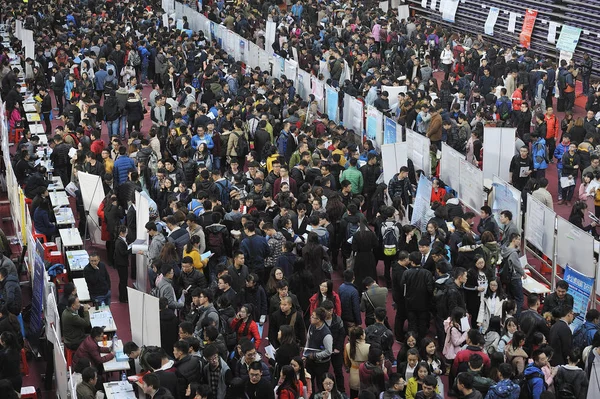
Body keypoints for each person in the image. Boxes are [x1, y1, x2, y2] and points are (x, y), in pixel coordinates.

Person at [401, 252, 434, 340]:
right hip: (424, 304)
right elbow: (430, 289)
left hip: (410, 303)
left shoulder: (406, 273)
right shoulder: (427, 273)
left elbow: (403, 287)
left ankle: (412, 342)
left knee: (412, 324)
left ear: (411, 262)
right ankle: (422, 342)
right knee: (422, 323)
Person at [304, 308, 332, 393]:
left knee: (321, 385)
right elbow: (308, 341)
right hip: (310, 361)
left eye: (313, 317)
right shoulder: (311, 326)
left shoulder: (326, 334)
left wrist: (315, 356)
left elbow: (328, 351)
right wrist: (305, 355)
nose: (310, 318)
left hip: (321, 364)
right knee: (309, 382)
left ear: (319, 320)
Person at [500, 233, 525, 318]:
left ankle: (508, 316)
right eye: (518, 239)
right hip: (515, 278)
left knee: (510, 297)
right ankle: (517, 318)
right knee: (519, 299)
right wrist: (523, 274)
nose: (519, 242)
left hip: (508, 278)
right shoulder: (513, 253)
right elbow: (517, 266)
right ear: (514, 240)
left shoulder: (505, 249)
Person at [114, 225, 131, 303]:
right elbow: (123, 252)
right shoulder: (119, 242)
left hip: (122, 263)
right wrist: (131, 249)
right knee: (123, 281)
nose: (127, 233)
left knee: (123, 281)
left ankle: (124, 296)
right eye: (126, 232)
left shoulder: (121, 240)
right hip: (121, 264)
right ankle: (123, 297)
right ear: (121, 233)